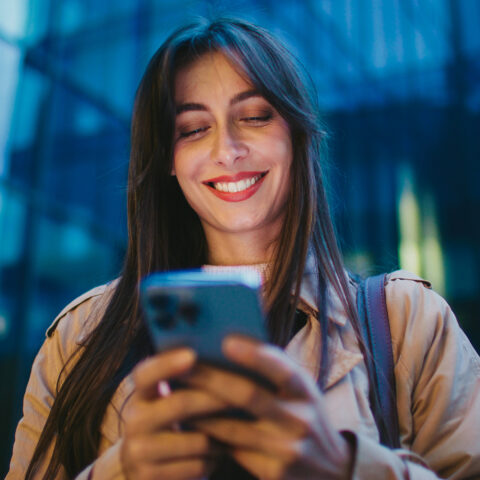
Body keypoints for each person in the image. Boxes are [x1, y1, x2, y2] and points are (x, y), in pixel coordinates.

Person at [6, 17, 480, 480]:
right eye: (192, 129)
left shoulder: (407, 321)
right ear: (168, 160)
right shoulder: (80, 337)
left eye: (254, 117)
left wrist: (344, 464)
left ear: (296, 136)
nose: (226, 151)